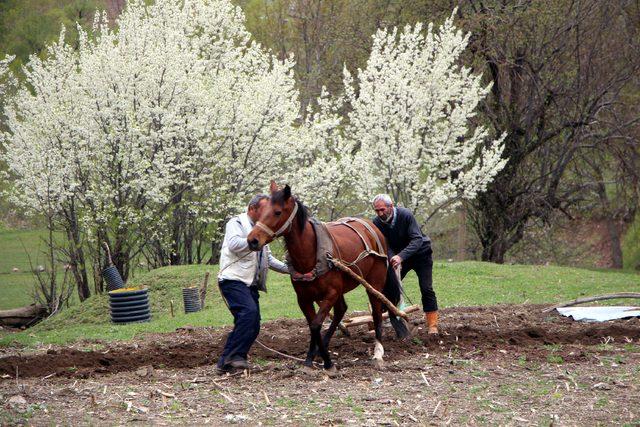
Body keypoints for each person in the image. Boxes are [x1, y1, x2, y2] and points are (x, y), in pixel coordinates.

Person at [217, 194, 289, 373]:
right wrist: (253, 241)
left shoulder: (261, 229)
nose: (267, 213)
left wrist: (291, 270)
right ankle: (236, 359)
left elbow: (268, 258)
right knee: (248, 314)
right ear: (252, 209)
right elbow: (234, 244)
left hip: (250, 284)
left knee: (253, 323)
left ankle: (226, 361)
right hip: (233, 279)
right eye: (263, 210)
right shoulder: (236, 223)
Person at [371, 194, 439, 334]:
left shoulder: (405, 215)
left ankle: (432, 325)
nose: (380, 213)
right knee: (389, 287)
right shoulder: (377, 223)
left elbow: (417, 239)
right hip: (399, 257)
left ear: (391, 206)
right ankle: (386, 320)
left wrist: (401, 256)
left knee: (426, 289)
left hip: (421, 254)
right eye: (377, 211)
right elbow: (386, 245)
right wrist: (392, 258)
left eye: (382, 209)